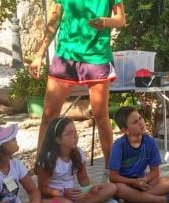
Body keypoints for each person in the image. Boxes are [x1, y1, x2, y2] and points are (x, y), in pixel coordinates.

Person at [29, 0, 126, 169]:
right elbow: (54, 18)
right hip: (66, 55)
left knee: (101, 116)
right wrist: (40, 53)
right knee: (48, 115)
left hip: (97, 56)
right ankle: (40, 166)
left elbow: (120, 19)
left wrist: (105, 22)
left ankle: (112, 170)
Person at [36, 116, 120, 203]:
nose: (75, 136)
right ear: (58, 140)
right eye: (70, 134)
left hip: (73, 194)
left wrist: (90, 187)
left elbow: (83, 179)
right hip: (55, 197)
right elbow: (42, 188)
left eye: (75, 132)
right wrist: (61, 193)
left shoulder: (78, 153)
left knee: (111, 187)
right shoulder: (47, 159)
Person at [109, 106, 169, 203]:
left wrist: (144, 180)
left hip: (143, 182)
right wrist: (134, 182)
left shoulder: (150, 142)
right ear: (126, 130)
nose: (141, 123)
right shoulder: (119, 146)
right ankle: (164, 200)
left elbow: (155, 171)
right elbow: (113, 177)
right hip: (126, 184)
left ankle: (132, 200)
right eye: (135, 122)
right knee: (118, 188)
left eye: (140, 118)